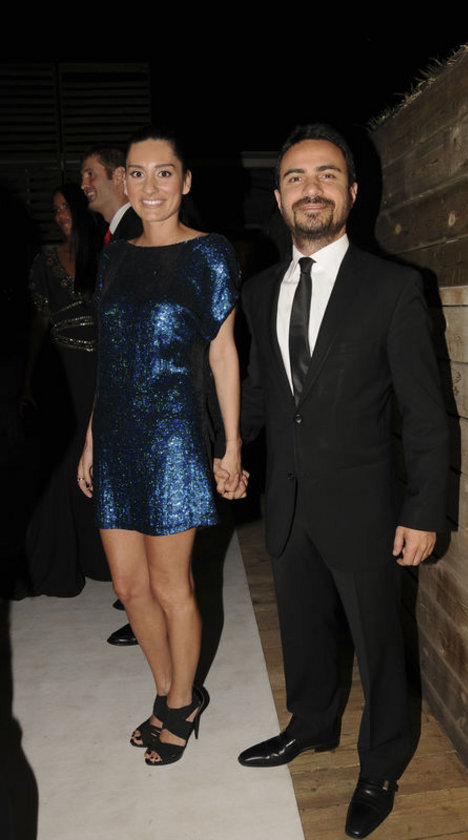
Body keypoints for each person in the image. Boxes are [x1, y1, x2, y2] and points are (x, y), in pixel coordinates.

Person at [215, 124, 448, 838]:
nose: (310, 189)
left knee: (379, 645)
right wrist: (228, 449)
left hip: (366, 506)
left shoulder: (394, 288)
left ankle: (381, 763)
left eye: (325, 175)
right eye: (294, 178)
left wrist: (424, 509)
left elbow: (425, 412)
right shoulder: (260, 291)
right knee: (303, 628)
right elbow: (263, 392)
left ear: (351, 191)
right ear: (279, 199)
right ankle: (311, 724)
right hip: (286, 500)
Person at [78, 125, 246, 766]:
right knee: (129, 585)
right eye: (138, 173)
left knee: (172, 586)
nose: (150, 186)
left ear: (185, 180)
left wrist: (231, 444)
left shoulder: (210, 254)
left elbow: (224, 354)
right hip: (116, 436)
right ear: (125, 182)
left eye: (164, 172)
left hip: (175, 440)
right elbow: (110, 357)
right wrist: (91, 439)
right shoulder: (116, 256)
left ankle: (182, 702)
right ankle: (166, 689)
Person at [23, 183, 109, 595]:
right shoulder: (44, 261)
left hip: (102, 370)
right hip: (61, 372)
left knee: (102, 461)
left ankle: (102, 558)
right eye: (55, 210)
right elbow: (38, 323)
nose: (59, 217)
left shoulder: (107, 256)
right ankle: (59, 564)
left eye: (65, 208)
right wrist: (27, 379)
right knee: (62, 465)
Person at [80, 143, 143, 644]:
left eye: (90, 174)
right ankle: (138, 602)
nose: (84, 185)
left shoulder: (137, 232)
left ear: (119, 177)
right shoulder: (111, 237)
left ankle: (146, 609)